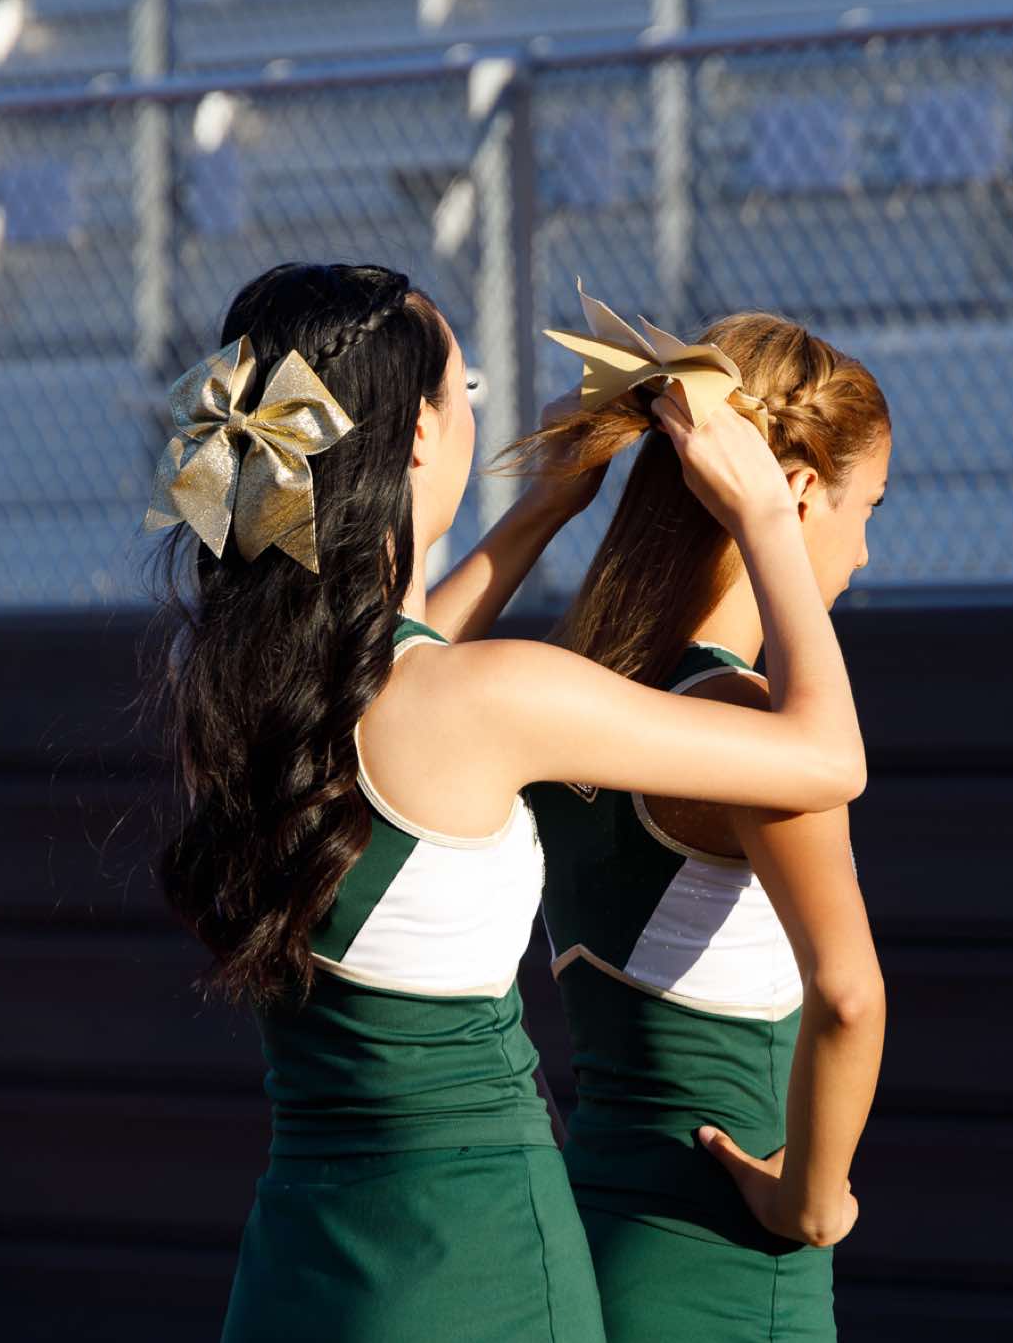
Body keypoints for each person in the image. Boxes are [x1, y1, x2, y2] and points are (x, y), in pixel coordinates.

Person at [143, 263, 867, 1343]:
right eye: (466, 388)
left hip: (297, 1265)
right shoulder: (485, 698)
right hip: (469, 1261)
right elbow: (824, 755)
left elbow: (402, 651)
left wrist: (543, 507)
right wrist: (766, 513)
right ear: (418, 436)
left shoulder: (255, 697)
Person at [519, 312, 891, 1343]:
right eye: (866, 509)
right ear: (796, 493)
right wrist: (809, 1201)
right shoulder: (740, 727)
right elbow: (849, 995)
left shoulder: (579, 699)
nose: (864, 552)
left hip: (586, 1251)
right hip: (724, 1273)